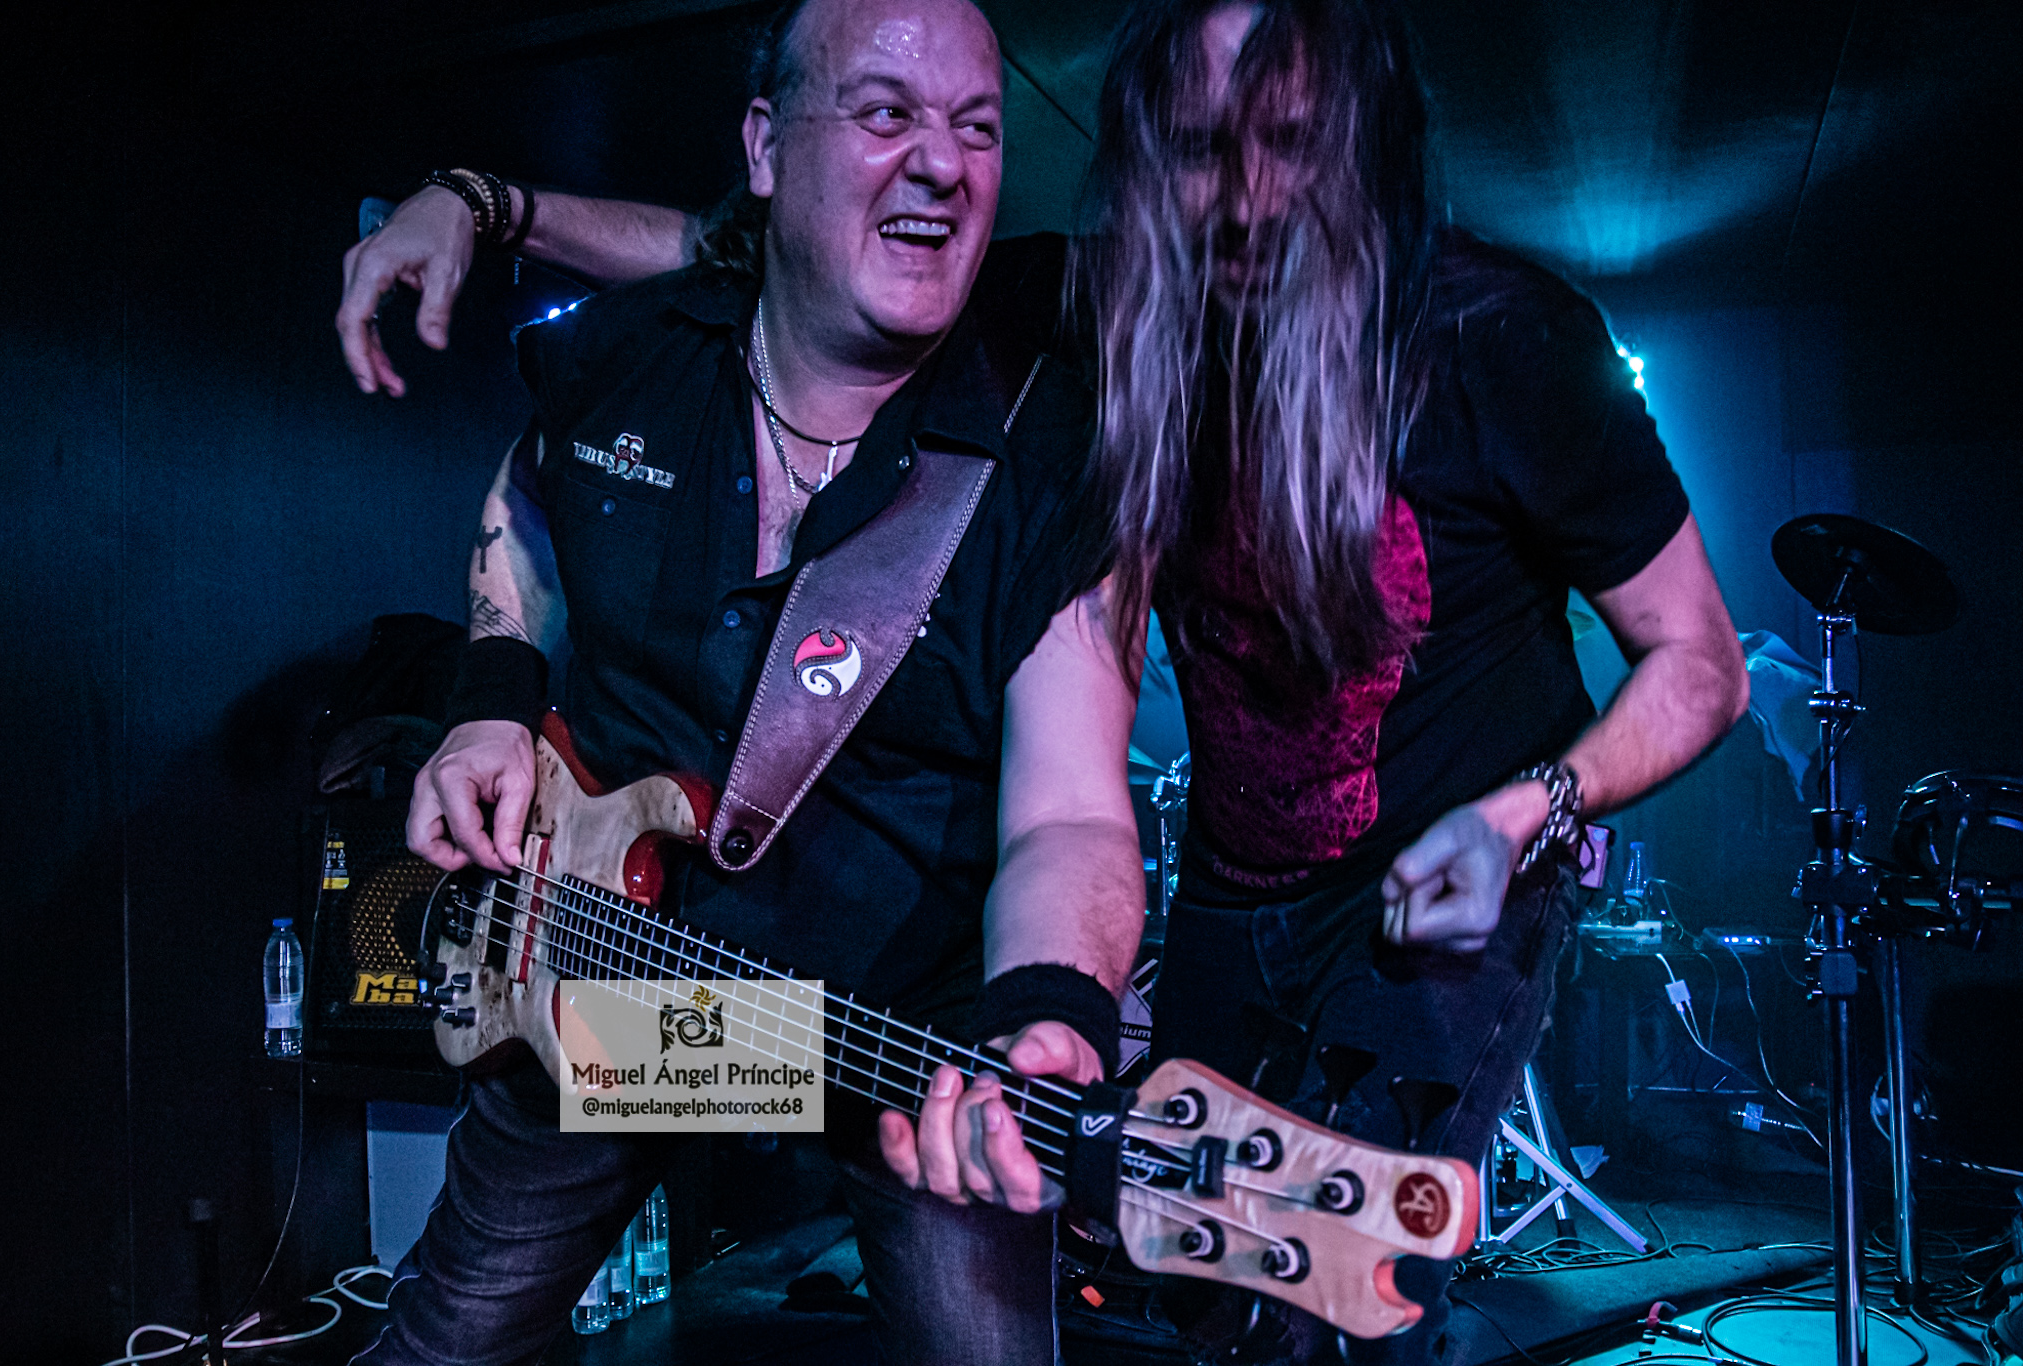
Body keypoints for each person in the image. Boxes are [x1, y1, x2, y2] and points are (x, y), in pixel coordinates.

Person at [340, 1, 1749, 1361]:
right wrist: (481, 205)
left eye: (1292, 141)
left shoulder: (1484, 344)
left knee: (1323, 1303)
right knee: (1184, 1282)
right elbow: (754, 254)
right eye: (1201, 148)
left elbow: (1699, 667)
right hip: (842, 976)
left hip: (1328, 910)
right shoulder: (1090, 309)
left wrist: (1528, 810)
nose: (1249, 196)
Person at [362, 1, 1145, 1363]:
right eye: (887, 111)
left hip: (903, 1046)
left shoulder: (1054, 448)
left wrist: (1048, 1013)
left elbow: (1071, 809)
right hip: (621, 990)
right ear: (768, 148)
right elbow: (526, 497)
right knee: (443, 1345)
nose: (943, 161)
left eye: (977, 127)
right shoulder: (632, 353)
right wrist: (490, 700)